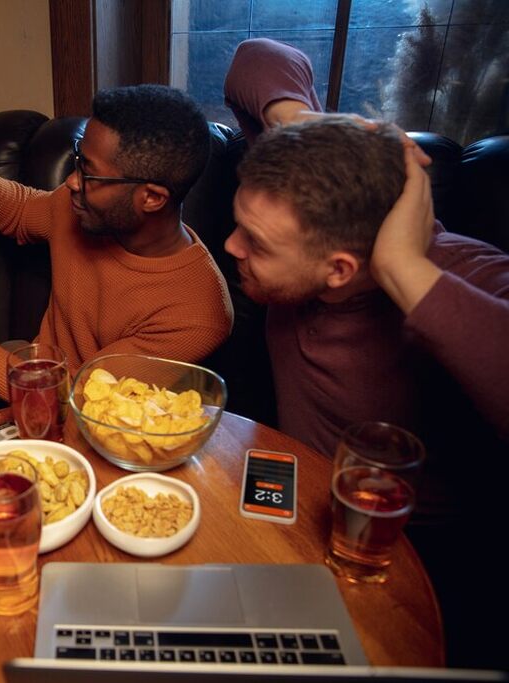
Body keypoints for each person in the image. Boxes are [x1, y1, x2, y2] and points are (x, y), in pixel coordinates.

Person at [223, 39, 509, 669]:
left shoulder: (464, 271)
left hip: (419, 557)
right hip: (297, 504)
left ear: (341, 268)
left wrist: (403, 268)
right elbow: (255, 56)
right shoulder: (302, 206)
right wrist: (305, 128)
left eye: (257, 244)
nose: (231, 245)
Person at [0, 85, 233, 402]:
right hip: (29, 366)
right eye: (78, 160)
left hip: (81, 414)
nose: (71, 181)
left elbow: (69, 396)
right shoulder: (84, 208)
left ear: (152, 198)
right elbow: (24, 210)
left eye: (90, 173)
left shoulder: (198, 313)